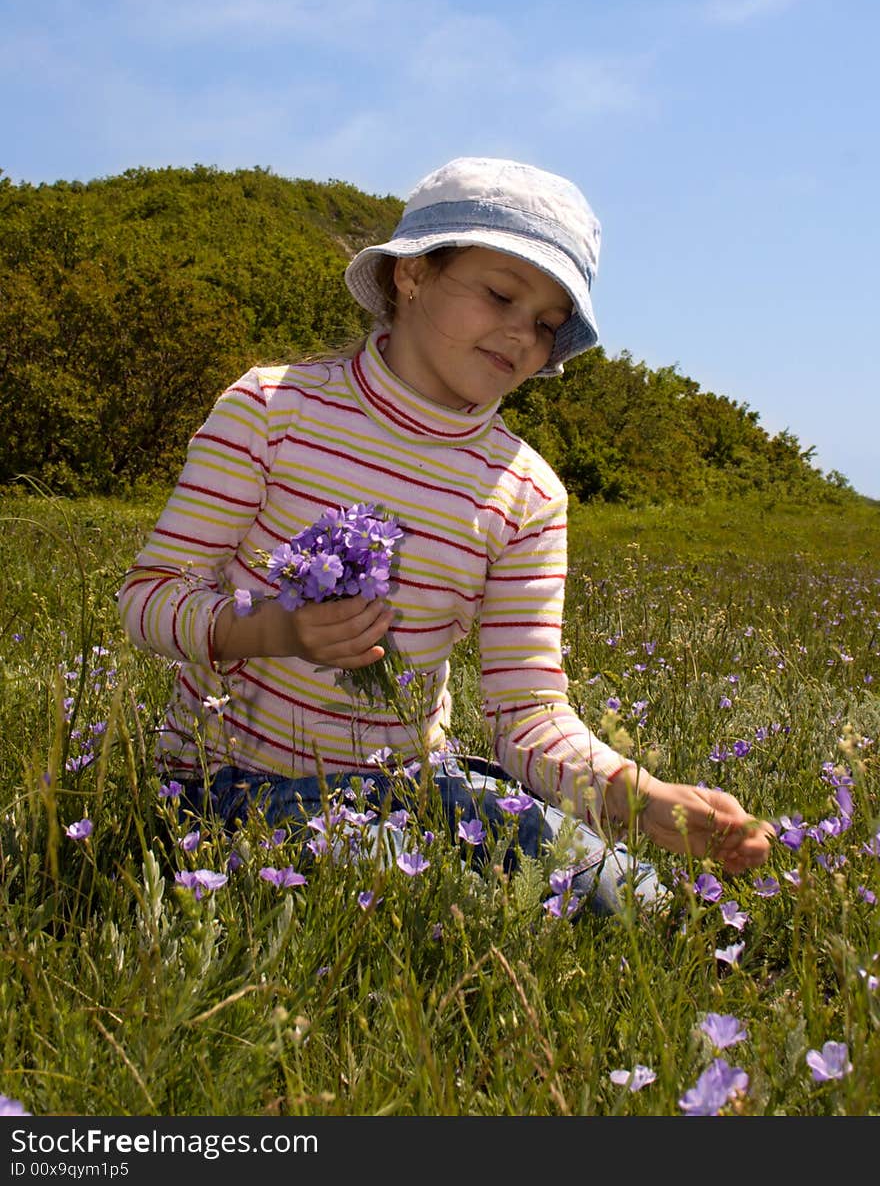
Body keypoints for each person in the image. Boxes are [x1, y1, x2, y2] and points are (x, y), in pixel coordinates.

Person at [118, 156, 773, 915]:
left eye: (547, 325)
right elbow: (150, 599)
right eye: (500, 294)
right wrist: (270, 630)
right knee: (428, 898)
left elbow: (524, 712)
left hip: (412, 785)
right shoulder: (272, 409)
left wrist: (642, 798)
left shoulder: (527, 493)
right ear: (413, 276)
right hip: (226, 783)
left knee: (636, 903)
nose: (522, 335)